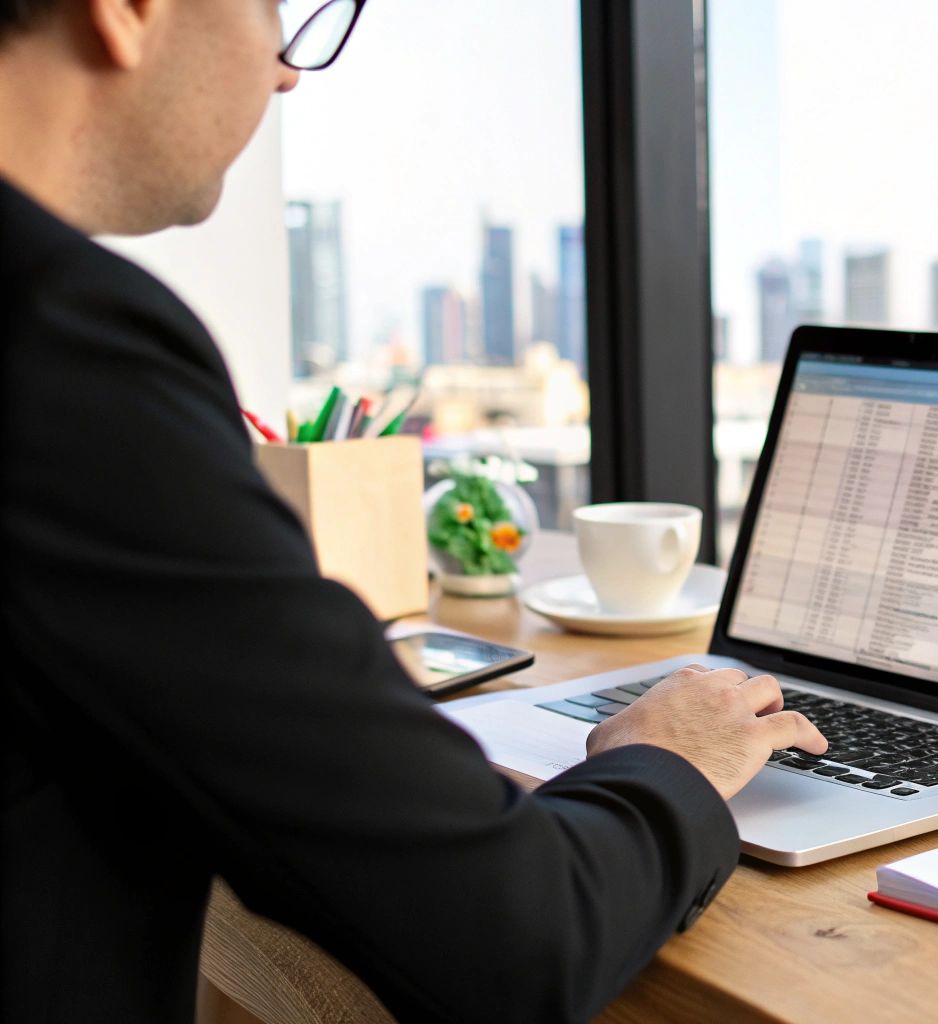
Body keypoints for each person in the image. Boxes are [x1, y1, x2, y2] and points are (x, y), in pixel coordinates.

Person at [0, 2, 825, 1021]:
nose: (288, 74)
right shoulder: (61, 348)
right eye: (274, 15)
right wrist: (668, 762)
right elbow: (516, 939)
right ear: (128, 11)